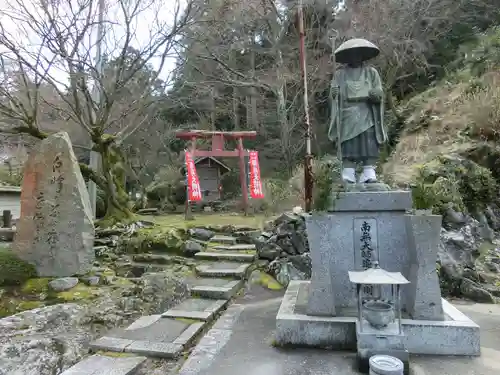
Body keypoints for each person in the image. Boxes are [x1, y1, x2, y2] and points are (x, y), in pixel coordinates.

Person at [328, 38, 387, 184]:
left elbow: (379, 91)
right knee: (349, 142)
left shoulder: (371, 73)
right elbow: (333, 97)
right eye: (352, 54)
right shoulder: (339, 74)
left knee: (368, 140)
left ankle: (368, 170)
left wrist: (376, 94)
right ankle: (348, 170)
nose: (355, 57)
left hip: (366, 111)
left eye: (358, 54)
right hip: (347, 112)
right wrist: (334, 93)